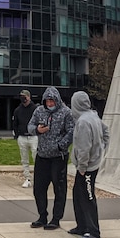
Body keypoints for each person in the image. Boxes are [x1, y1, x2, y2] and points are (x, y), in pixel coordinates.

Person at [27, 87, 74, 230]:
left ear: (57, 100)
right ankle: (42, 216)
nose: (49, 102)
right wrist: (37, 130)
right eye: (47, 100)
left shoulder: (66, 112)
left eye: (52, 100)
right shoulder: (39, 110)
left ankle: (56, 218)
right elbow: (30, 125)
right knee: (39, 189)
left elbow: (71, 131)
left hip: (58, 157)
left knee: (59, 189)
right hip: (42, 155)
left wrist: (61, 146)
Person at [69, 91, 109, 238]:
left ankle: (93, 231)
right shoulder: (93, 116)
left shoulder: (84, 122)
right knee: (78, 195)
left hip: (87, 167)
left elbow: (84, 147)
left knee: (87, 197)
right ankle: (82, 226)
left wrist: (82, 166)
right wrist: (102, 147)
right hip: (91, 163)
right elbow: (106, 131)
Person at [13, 90, 39, 188]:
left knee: (36, 157)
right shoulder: (18, 110)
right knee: (24, 159)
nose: (22, 98)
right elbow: (15, 123)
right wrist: (17, 134)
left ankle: (38, 178)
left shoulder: (35, 109)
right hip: (22, 137)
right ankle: (27, 178)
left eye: (24, 96)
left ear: (28, 97)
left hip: (33, 137)